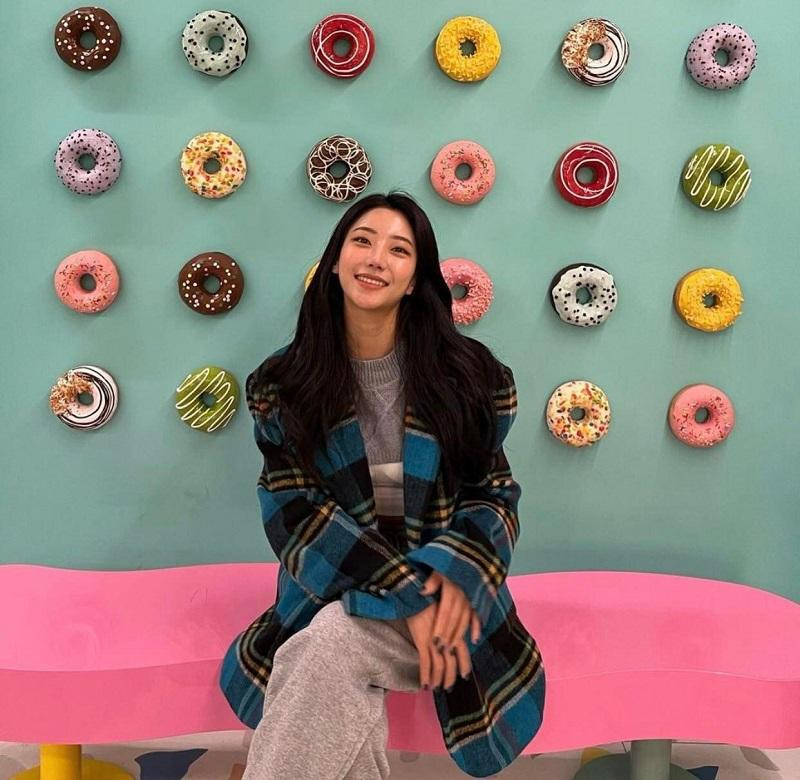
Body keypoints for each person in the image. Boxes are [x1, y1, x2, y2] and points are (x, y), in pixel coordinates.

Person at [219, 192, 546, 778]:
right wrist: (405, 596)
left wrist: (435, 588)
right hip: (337, 587)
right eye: (362, 241)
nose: (375, 259)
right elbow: (295, 515)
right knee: (334, 645)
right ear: (335, 261)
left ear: (416, 279)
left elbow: (493, 497)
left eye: (398, 250)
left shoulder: (470, 376)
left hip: (449, 598)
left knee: (330, 645)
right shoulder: (283, 383)